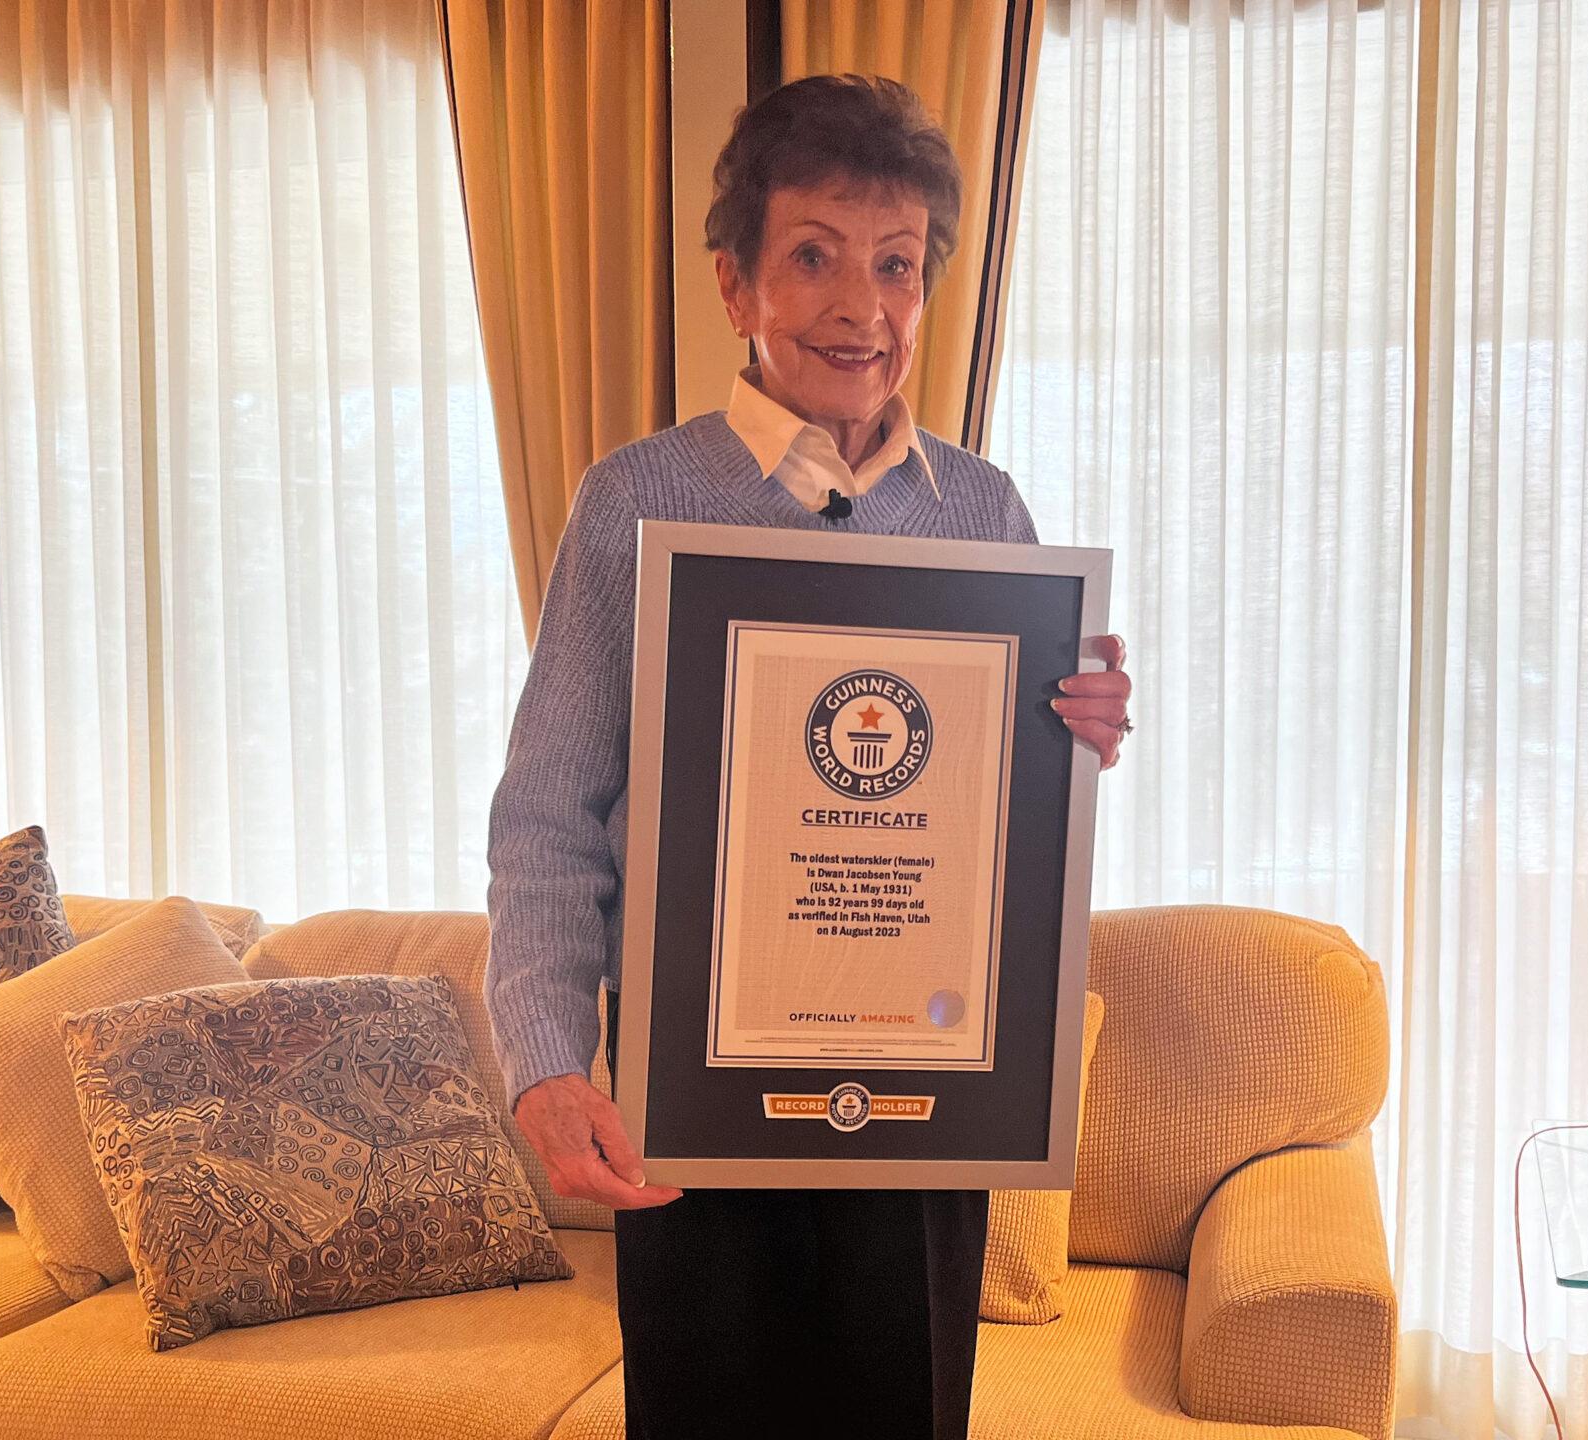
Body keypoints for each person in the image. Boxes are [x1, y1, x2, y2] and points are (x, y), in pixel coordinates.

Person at [484, 74, 1133, 1440]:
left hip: (924, 1118)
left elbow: (999, 835)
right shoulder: (637, 502)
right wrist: (547, 1062)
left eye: (897, 266)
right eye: (815, 258)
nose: (863, 306)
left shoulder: (986, 513)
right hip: (696, 1113)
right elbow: (549, 815)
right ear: (737, 285)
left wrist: (1074, 742)